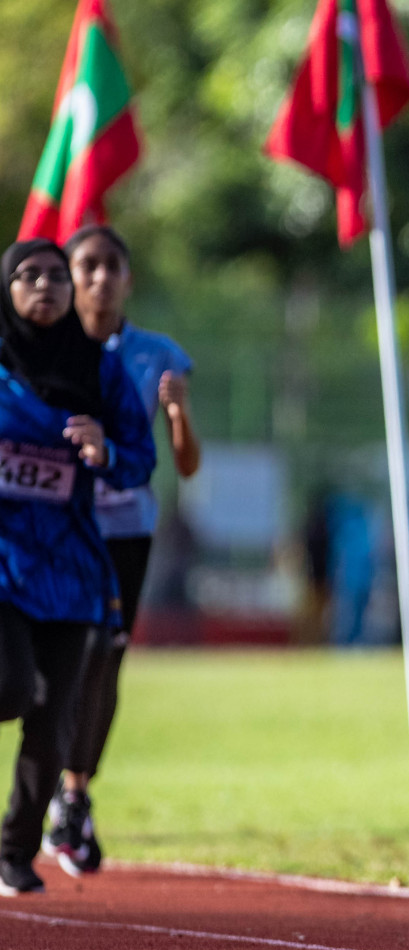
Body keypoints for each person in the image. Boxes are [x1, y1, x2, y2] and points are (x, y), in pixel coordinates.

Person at [40, 226, 200, 876]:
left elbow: (186, 464)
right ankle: (47, 783)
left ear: (129, 279)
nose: (101, 278)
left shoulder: (157, 356)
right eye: (87, 266)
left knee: (105, 657)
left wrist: (180, 416)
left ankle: (74, 795)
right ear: (69, 276)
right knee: (54, 662)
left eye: (113, 266)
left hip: (126, 530)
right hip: (53, 527)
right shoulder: (39, 350)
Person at [0, 238, 154, 896]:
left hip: (72, 567)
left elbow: (141, 457)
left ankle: (12, 852)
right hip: (4, 562)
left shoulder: (100, 369)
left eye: (56, 277)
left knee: (54, 717)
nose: (46, 287)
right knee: (8, 689)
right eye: (28, 276)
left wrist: (106, 452)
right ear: (7, 289)